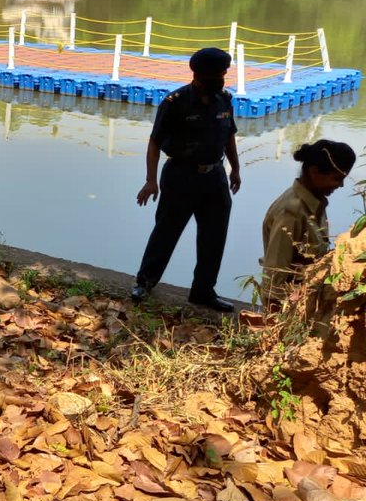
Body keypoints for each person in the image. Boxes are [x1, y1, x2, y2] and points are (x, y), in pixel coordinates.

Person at [130, 47, 241, 312]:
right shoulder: (175, 102)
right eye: (219, 73)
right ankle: (144, 283)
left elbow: (229, 137)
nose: (223, 77)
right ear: (200, 75)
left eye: (225, 72)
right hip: (181, 175)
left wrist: (235, 169)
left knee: (214, 237)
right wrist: (150, 180)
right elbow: (155, 141)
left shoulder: (224, 99)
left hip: (215, 177)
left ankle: (203, 291)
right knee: (166, 232)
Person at [260, 141, 356, 308]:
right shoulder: (291, 213)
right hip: (291, 308)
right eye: (337, 178)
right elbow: (274, 280)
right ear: (314, 172)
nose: (340, 185)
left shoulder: (315, 201)